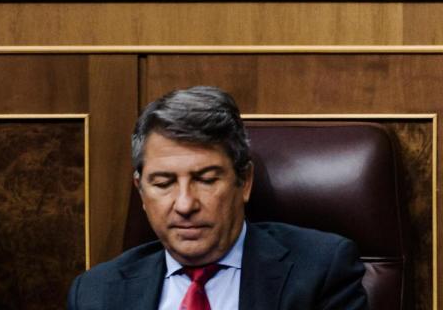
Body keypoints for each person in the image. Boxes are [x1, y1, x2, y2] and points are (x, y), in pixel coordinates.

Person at [67, 86, 368, 310]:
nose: (185, 204)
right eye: (163, 183)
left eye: (206, 180)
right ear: (141, 192)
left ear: (244, 182)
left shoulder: (321, 271)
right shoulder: (96, 294)